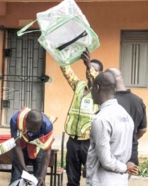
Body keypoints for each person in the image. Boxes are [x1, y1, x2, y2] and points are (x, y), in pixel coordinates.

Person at [86, 71, 138, 186]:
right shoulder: (125, 115)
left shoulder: (101, 119)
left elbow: (106, 161)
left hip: (102, 181)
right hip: (121, 181)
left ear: (97, 88)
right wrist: (125, 167)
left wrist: (124, 167)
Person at [61, 49, 103, 186]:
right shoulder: (79, 86)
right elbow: (67, 72)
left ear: (99, 73)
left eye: (92, 69)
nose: (88, 70)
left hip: (89, 142)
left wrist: (88, 64)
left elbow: (97, 82)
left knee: (92, 178)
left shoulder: (101, 91)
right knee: (72, 178)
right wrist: (63, 55)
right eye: (88, 68)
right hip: (73, 140)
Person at [106, 68, 147, 166]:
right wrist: (129, 139)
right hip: (131, 156)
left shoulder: (109, 101)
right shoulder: (138, 101)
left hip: (112, 155)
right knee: (123, 182)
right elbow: (143, 129)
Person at [9, 107, 57, 186]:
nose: (34, 131)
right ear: (26, 122)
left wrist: (42, 176)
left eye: (37, 129)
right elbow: (17, 145)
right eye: (31, 128)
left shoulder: (47, 126)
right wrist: (25, 171)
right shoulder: (15, 120)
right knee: (17, 176)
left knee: (39, 180)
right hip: (21, 146)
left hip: (38, 148)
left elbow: (47, 151)